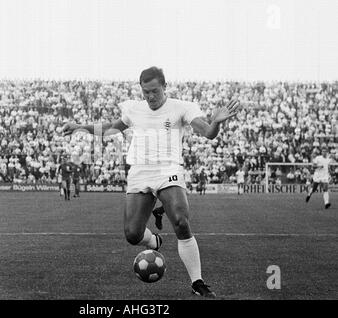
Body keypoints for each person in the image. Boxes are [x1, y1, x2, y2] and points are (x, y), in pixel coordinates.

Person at [63, 67, 240, 298]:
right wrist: (80, 127)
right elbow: (110, 129)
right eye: (146, 92)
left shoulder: (181, 108)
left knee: (181, 220)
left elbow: (208, 132)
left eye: (155, 91)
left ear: (164, 86)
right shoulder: (134, 109)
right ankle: (153, 240)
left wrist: (216, 122)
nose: (150, 96)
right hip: (139, 171)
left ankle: (198, 282)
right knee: (132, 234)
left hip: (169, 169)